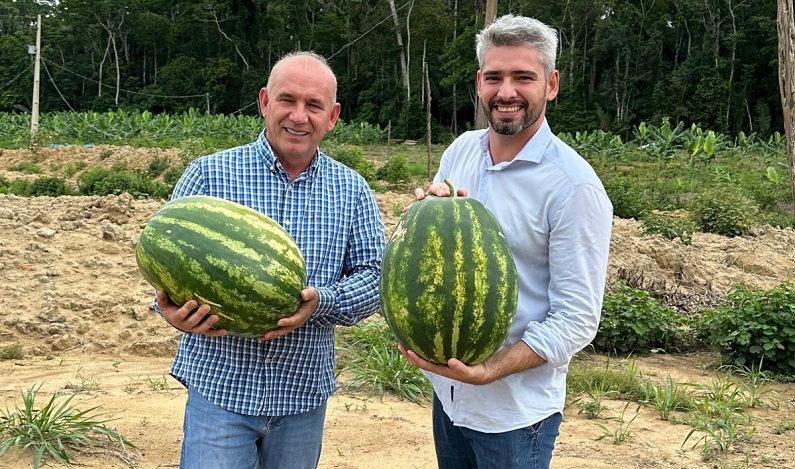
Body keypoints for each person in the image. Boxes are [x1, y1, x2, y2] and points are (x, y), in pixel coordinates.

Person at [151, 51, 384, 469]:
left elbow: (374, 278)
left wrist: (321, 302)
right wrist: (169, 310)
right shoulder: (208, 175)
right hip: (221, 390)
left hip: (302, 396)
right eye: (287, 100)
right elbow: (167, 259)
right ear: (264, 102)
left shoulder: (353, 189)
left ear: (332, 116)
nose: (299, 116)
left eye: (314, 105)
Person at [400, 14, 613, 469]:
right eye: (494, 77)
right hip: (450, 398)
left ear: (551, 84)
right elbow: (435, 256)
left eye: (524, 77)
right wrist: (425, 212)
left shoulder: (573, 186)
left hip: (516, 416)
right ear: (479, 82)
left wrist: (491, 370)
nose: (507, 92)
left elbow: (577, 320)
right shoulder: (461, 151)